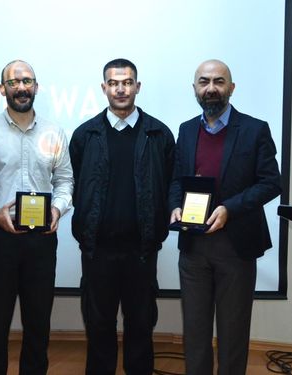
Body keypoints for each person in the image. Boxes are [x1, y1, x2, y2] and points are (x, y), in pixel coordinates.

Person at [169, 59, 282, 375]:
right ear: (195, 89)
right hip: (193, 248)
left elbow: (272, 182)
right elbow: (177, 179)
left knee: (233, 334)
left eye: (219, 81)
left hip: (236, 246)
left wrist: (229, 209)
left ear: (231, 88)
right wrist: (174, 206)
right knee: (195, 333)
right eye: (204, 82)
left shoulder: (255, 129)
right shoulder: (187, 130)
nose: (211, 88)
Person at [0, 60, 73, 375]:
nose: (21, 87)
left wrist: (58, 208)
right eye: (14, 82)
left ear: (36, 87)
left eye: (27, 81)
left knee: (38, 321)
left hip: (41, 239)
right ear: (2, 89)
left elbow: (65, 181)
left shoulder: (54, 132)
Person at [69, 58, 175, 375]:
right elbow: (73, 185)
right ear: (104, 88)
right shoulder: (85, 135)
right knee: (99, 325)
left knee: (141, 324)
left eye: (127, 82)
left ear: (137, 87)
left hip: (141, 251)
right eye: (114, 83)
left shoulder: (159, 134)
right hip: (98, 249)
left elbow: (170, 185)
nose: (120, 89)